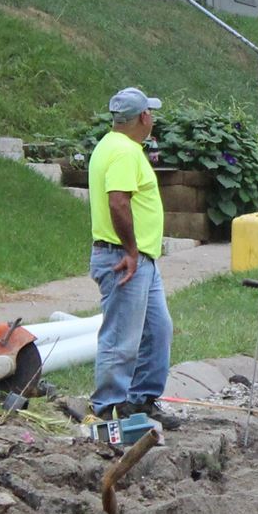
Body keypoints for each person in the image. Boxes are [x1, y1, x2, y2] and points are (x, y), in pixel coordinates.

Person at [87, 87, 175, 425]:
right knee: (122, 337)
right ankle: (108, 407)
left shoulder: (114, 146)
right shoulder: (124, 151)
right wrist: (132, 250)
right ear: (143, 117)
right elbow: (118, 202)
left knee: (158, 329)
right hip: (125, 259)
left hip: (141, 261)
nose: (152, 118)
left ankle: (141, 400)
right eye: (150, 112)